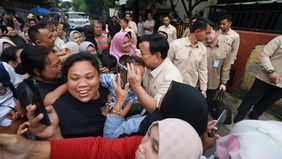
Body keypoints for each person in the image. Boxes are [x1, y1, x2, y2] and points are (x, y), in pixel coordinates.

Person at [0, 118, 206, 159]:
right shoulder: (137, 145)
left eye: (155, 148)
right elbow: (97, 149)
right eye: (147, 137)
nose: (142, 147)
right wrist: (29, 149)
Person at [104, 80, 209, 138]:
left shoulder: (150, 130)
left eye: (168, 96)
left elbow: (109, 137)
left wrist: (119, 102)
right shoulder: (183, 139)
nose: (163, 96)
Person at [127, 34, 183, 113]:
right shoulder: (149, 66)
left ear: (157, 56)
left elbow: (155, 109)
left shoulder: (170, 78)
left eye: (142, 54)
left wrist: (136, 86)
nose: (139, 56)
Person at [234, 35, 282, 123]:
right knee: (252, 96)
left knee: (268, 101)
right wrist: (271, 71)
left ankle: (255, 114)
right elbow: (265, 54)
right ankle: (241, 113)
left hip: (280, 84)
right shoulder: (280, 39)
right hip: (265, 76)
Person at [168, 18, 211, 98]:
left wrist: (203, 89)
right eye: (207, 33)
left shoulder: (203, 49)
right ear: (198, 32)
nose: (208, 36)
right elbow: (166, 66)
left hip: (190, 88)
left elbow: (203, 69)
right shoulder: (176, 45)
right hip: (172, 86)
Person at [206, 26, 232, 107]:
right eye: (206, 33)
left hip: (212, 83)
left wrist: (224, 83)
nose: (207, 36)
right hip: (198, 82)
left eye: (209, 33)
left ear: (217, 33)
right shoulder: (201, 45)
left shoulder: (226, 48)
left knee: (207, 104)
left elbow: (226, 67)